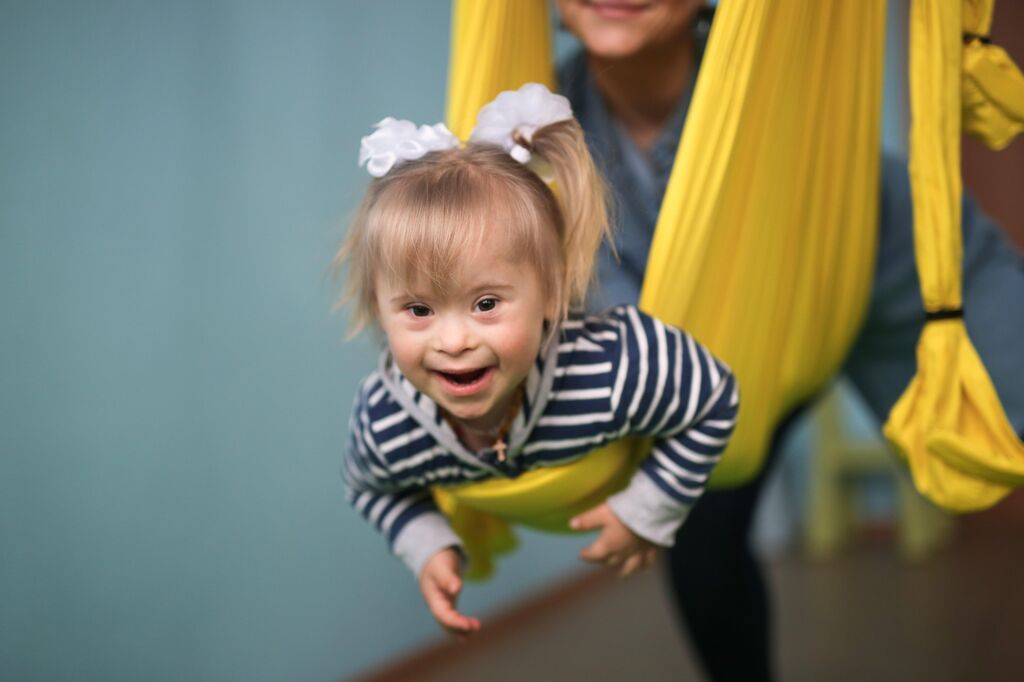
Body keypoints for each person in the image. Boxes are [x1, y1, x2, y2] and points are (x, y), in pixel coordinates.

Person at [554, 1, 1024, 680]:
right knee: (701, 530)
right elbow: (601, 299)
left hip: (870, 266)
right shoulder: (536, 122)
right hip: (722, 349)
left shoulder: (773, 63)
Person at [337, 84, 740, 636]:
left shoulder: (618, 368)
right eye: (418, 309)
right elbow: (369, 486)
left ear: (551, 294)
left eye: (485, 304)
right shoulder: (386, 421)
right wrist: (426, 546)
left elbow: (715, 397)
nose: (453, 341)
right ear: (381, 312)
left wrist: (647, 510)